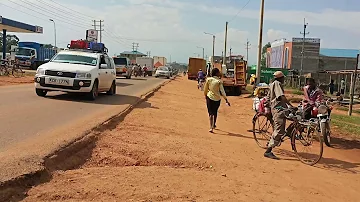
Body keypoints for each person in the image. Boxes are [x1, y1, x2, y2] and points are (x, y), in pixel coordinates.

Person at [264, 71, 294, 159]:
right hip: (278, 109)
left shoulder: (274, 83)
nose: (284, 79)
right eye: (283, 78)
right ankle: (268, 151)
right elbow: (281, 97)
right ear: (280, 78)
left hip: (281, 108)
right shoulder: (277, 84)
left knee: (295, 117)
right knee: (279, 130)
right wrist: (290, 105)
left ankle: (288, 133)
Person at [203, 68, 230, 133]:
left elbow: (205, 89)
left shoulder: (208, 79)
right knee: (215, 112)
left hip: (209, 97)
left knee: (210, 113)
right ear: (216, 73)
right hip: (217, 99)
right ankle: (213, 124)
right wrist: (226, 99)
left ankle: (211, 127)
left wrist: (205, 95)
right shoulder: (219, 81)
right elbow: (222, 91)